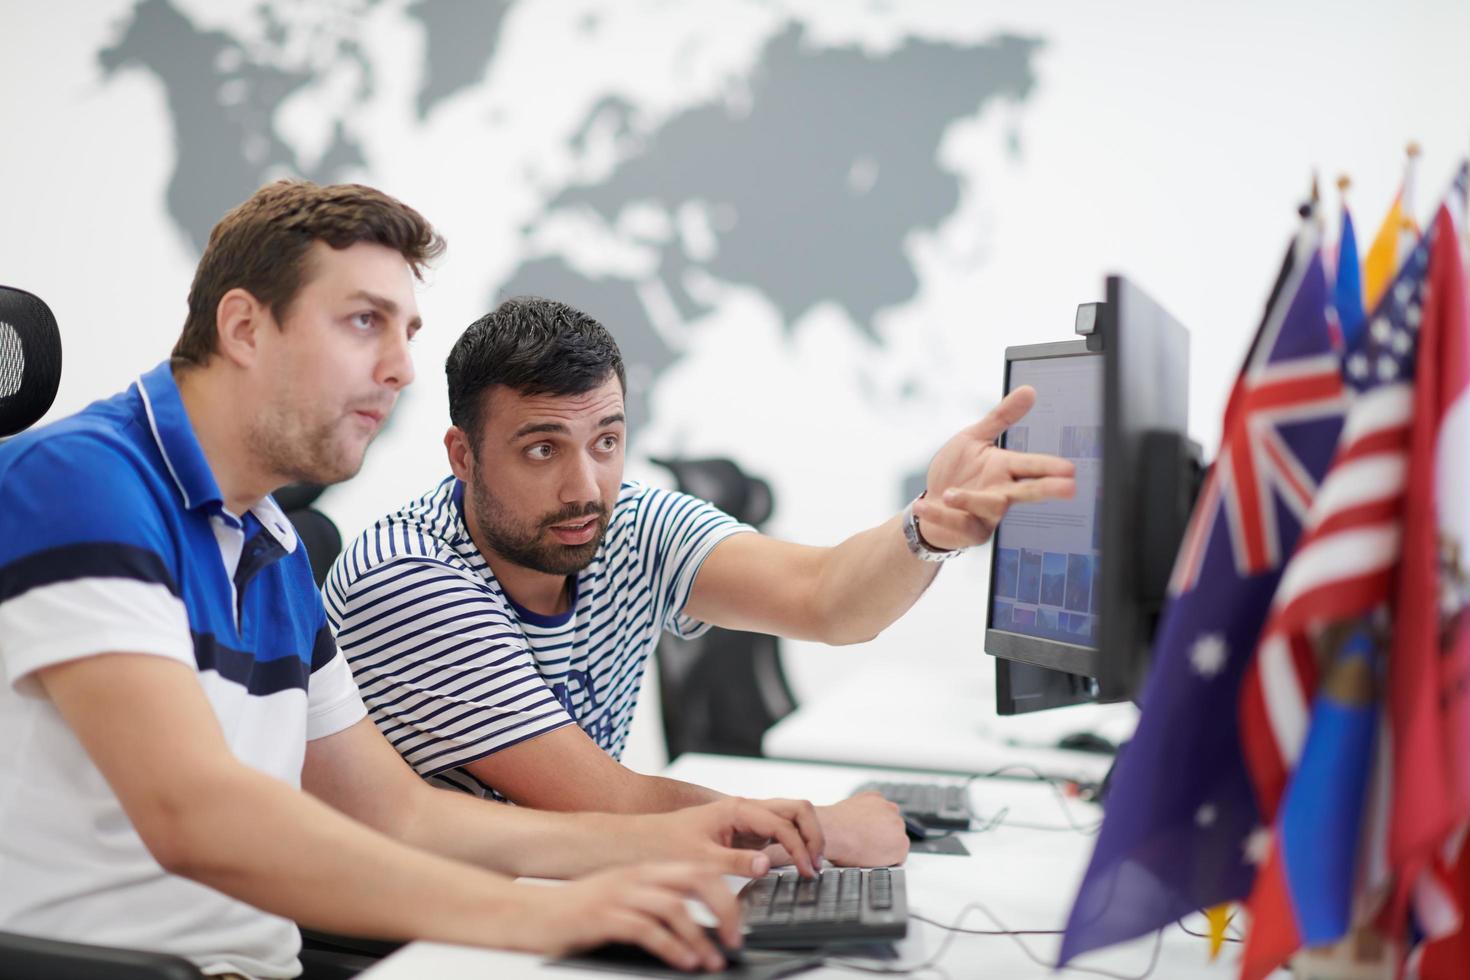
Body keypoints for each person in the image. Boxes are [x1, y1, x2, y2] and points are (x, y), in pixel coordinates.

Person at [0, 183, 829, 979]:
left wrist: (689, 836)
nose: (401, 368)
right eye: (365, 322)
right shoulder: (79, 481)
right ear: (245, 327)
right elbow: (195, 816)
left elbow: (399, 813)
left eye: (407, 331)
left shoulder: (268, 539)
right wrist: (547, 917)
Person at [324, 296, 1076, 867]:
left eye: (606, 441)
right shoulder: (410, 581)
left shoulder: (625, 522)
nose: (584, 487)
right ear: (463, 456)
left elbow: (824, 597)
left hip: (561, 888)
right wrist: (819, 828)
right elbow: (607, 802)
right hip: (424, 939)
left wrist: (926, 528)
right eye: (542, 450)